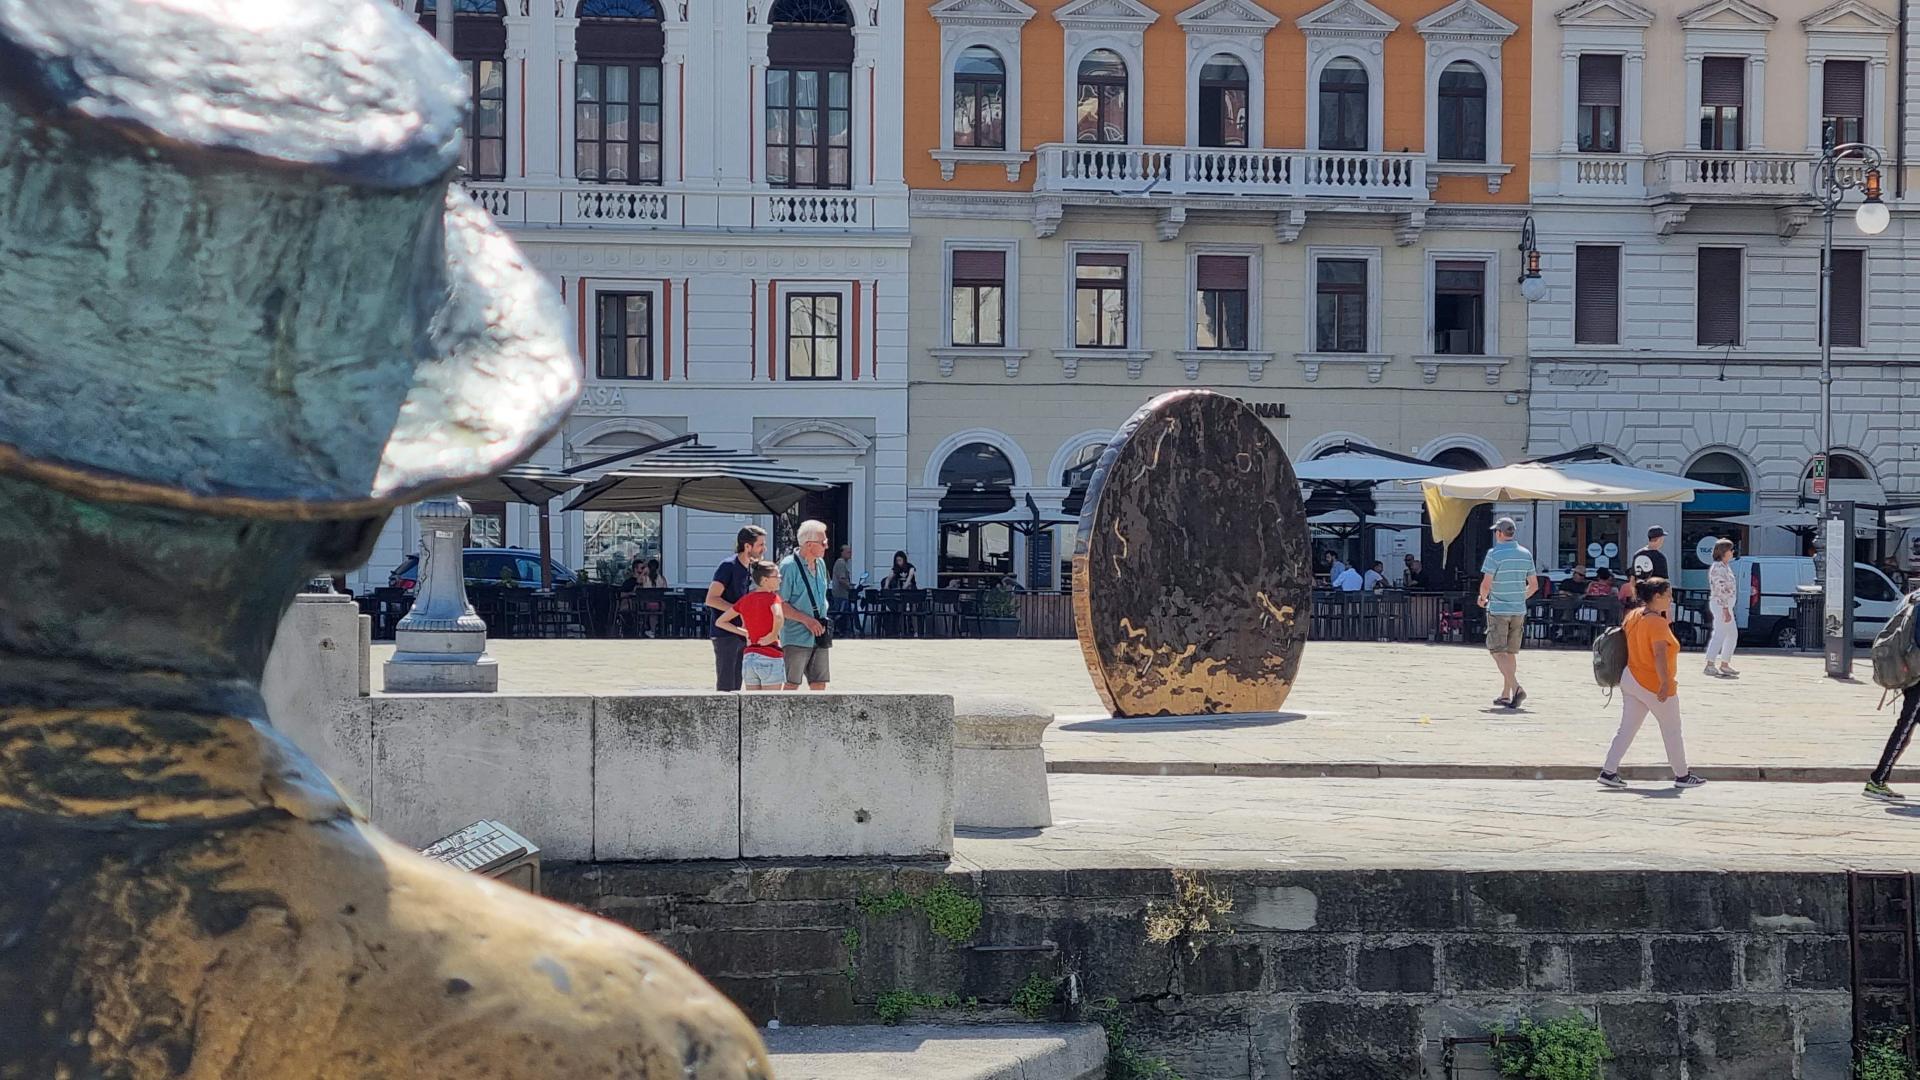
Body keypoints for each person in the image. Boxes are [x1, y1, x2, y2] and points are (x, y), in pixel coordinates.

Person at [1597, 577, 1707, 790]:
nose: (1670, 599)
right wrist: (1665, 683)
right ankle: (1682, 775)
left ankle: (1608, 771)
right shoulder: (1656, 622)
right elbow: (1659, 654)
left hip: (1630, 677)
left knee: (1626, 728)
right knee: (1672, 729)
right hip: (1652, 682)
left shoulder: (1633, 615)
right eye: (1668, 595)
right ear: (1656, 597)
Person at [1865, 589, 1920, 802]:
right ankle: (1877, 780)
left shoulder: (1911, 598)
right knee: (1904, 729)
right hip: (1917, 678)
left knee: (1904, 730)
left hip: (1909, 672)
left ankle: (1878, 779)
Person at [1478, 516, 1538, 709]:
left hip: (1498, 609)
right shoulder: (1525, 553)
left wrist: (1482, 597)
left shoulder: (1494, 554)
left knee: (1497, 650)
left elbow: (1486, 583)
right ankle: (1506, 694)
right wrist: (1520, 598)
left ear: (1499, 533)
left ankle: (1516, 687)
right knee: (1510, 652)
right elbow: (1534, 585)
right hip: (1518, 610)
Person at [704, 525, 766, 692]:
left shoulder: (751, 568)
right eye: (760, 545)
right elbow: (711, 599)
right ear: (747, 546)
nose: (764, 549)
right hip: (725, 634)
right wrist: (738, 610)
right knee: (726, 686)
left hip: (742, 633)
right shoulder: (728, 566)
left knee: (738, 684)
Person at [778, 519, 833, 691]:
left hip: (820, 633)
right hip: (796, 636)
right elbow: (780, 603)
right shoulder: (789, 566)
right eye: (823, 542)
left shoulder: (821, 564)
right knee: (791, 683)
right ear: (809, 544)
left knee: (819, 682)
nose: (827, 546)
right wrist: (806, 620)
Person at [714, 560, 785, 691]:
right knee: (771, 703)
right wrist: (773, 635)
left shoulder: (746, 599)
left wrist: (745, 633)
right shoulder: (773, 598)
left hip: (749, 657)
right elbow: (779, 616)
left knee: (753, 704)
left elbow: (720, 621)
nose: (780, 579)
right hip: (770, 654)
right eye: (777, 576)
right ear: (765, 580)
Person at [1704, 538, 1740, 677]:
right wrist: (1725, 608)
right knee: (1720, 633)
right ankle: (1710, 663)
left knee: (1731, 634)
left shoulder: (1725, 566)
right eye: (1730, 550)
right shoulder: (1718, 568)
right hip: (1721, 605)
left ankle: (1724, 663)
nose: (1732, 552)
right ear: (1724, 552)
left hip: (1726, 605)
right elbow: (1721, 589)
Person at [830, 543, 856, 635]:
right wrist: (850, 587)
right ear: (842, 552)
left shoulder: (843, 563)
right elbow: (842, 579)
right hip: (840, 595)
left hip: (842, 595)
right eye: (848, 552)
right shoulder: (841, 563)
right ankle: (840, 631)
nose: (850, 553)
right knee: (841, 614)